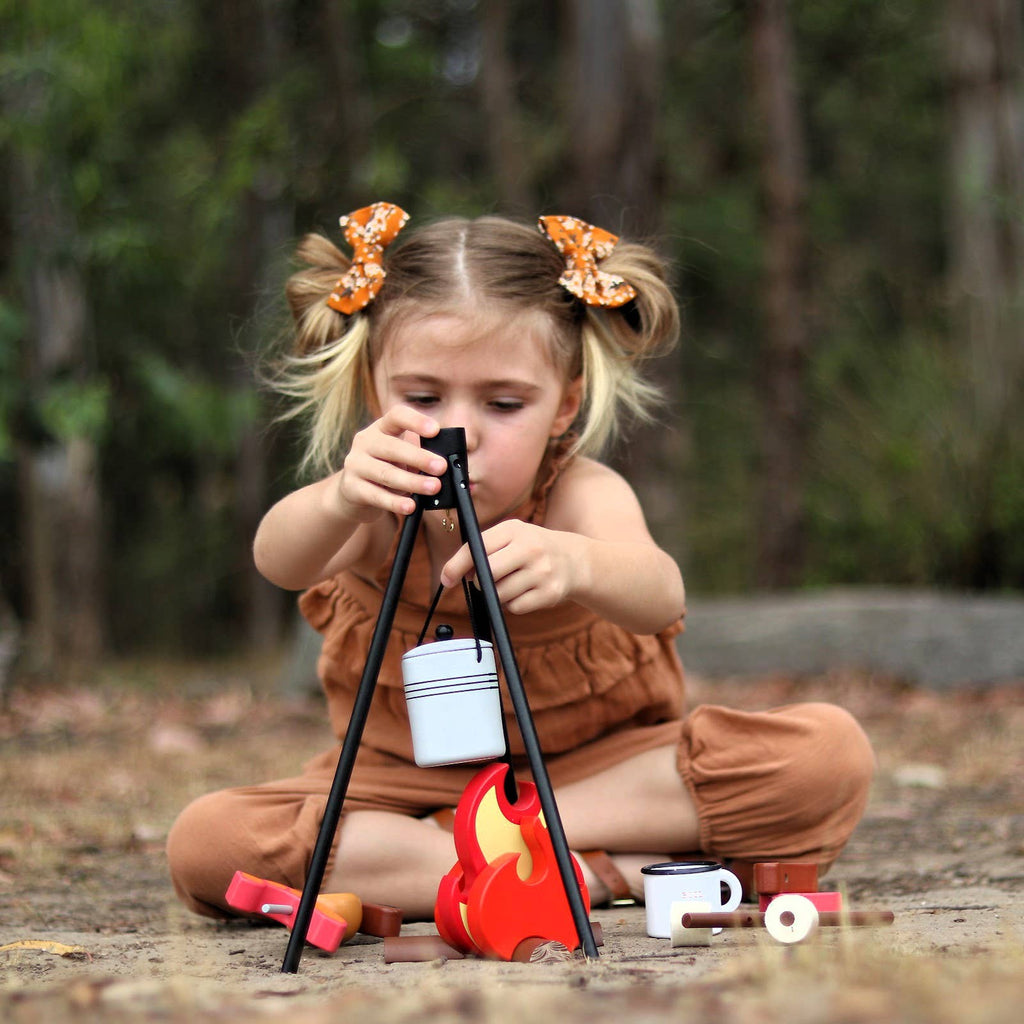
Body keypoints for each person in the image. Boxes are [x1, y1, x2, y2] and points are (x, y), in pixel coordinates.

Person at [167, 202, 874, 922]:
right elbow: (278, 558)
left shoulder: (578, 494)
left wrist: (579, 565)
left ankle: (480, 855)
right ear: (373, 392)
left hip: (599, 777)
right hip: (408, 786)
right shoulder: (376, 502)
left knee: (826, 756)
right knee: (207, 843)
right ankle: (582, 874)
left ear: (564, 407)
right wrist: (340, 498)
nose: (460, 430)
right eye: (421, 396)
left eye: (505, 403)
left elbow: (662, 593)